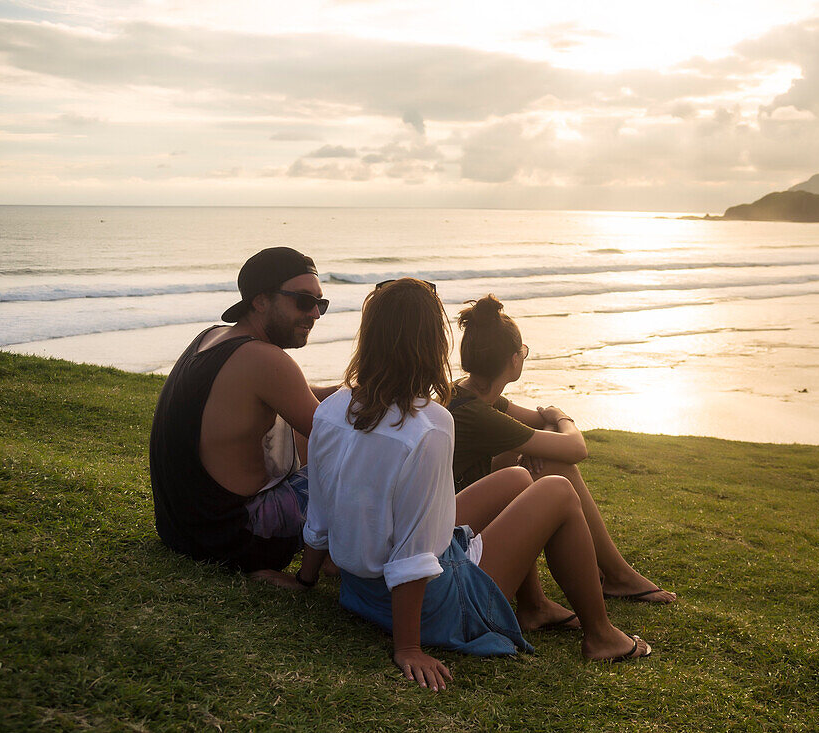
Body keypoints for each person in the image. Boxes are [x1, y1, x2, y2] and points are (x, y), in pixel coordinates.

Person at [297, 278, 651, 692]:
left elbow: (321, 512)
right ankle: (602, 636)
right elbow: (414, 552)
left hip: (360, 595)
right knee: (557, 489)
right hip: (432, 609)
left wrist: (304, 580)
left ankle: (533, 607)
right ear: (432, 343)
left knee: (518, 477)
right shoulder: (428, 424)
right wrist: (408, 647)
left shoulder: (335, 407)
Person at [450, 295, 676, 608]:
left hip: (459, 513)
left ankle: (598, 580)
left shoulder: (467, 392)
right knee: (558, 468)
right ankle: (617, 575)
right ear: (514, 359)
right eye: (524, 351)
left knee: (543, 460)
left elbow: (538, 426)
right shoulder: (478, 414)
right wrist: (560, 415)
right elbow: (575, 448)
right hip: (454, 539)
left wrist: (538, 441)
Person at [149, 246, 337, 589]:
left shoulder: (213, 337)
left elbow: (303, 395)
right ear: (261, 300)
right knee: (357, 460)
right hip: (242, 542)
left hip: (184, 532)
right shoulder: (265, 360)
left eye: (320, 304)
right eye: (302, 300)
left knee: (308, 431)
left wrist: (356, 388)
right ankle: (337, 563)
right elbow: (340, 438)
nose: (315, 314)